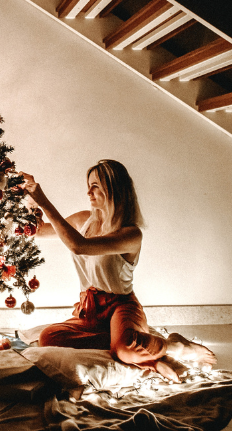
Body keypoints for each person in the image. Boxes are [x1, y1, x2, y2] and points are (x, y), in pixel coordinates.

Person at [20, 160, 216, 383]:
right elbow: (36, 232)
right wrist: (29, 198)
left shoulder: (130, 234)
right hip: (90, 308)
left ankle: (173, 345)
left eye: (95, 186)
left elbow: (79, 246)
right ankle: (147, 352)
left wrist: (43, 201)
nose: (88, 192)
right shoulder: (83, 219)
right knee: (48, 337)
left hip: (120, 306)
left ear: (113, 189)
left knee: (123, 350)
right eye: (88, 185)